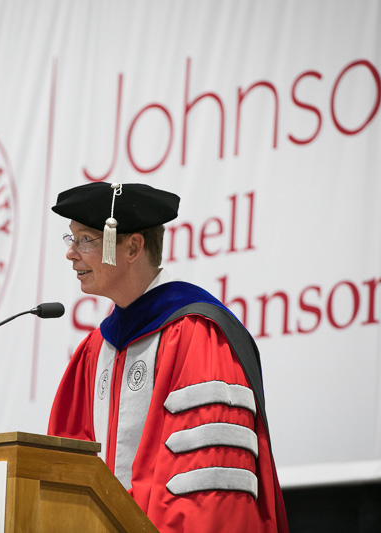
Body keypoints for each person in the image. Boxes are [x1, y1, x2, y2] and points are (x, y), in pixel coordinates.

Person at [47, 182, 289, 532]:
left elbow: (205, 486)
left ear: (132, 247)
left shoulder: (197, 334)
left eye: (86, 239)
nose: (71, 253)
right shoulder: (96, 349)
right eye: (71, 239)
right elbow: (66, 464)